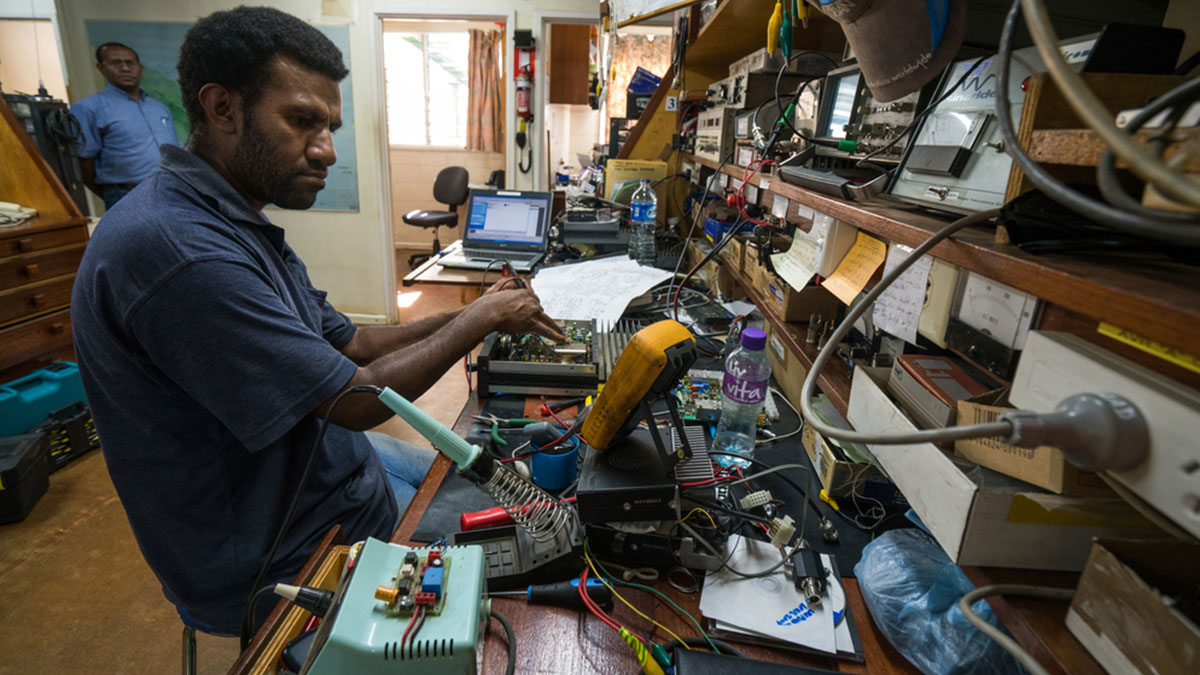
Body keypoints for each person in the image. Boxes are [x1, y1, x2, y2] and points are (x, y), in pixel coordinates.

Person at [70, 6, 565, 637]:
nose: (327, 149)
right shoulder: (180, 251)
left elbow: (351, 341)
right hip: (272, 549)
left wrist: (472, 310)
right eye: (302, 120)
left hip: (328, 476)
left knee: (512, 487)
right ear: (222, 109)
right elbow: (356, 401)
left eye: (330, 124)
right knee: (523, 571)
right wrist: (484, 318)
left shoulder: (231, 217)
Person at [70, 42, 180, 209]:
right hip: (125, 194)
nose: (125, 68)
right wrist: (111, 194)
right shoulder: (88, 108)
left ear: (140, 68)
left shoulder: (158, 107)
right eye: (116, 63)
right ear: (101, 68)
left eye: (130, 63)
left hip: (170, 191)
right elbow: (84, 163)